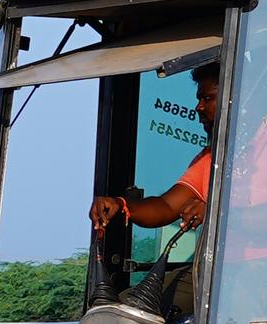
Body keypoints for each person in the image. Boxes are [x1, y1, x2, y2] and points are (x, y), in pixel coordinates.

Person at [92, 66, 221, 243]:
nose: (199, 107)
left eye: (208, 98)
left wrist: (214, 213)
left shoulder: (264, 148)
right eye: (199, 99)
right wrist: (122, 204)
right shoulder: (210, 159)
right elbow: (166, 206)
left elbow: (262, 217)